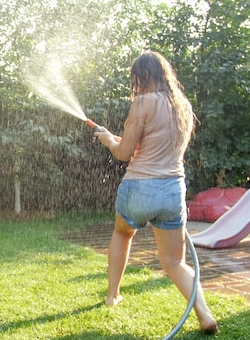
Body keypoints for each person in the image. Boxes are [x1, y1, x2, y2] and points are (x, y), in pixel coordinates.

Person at [94, 51, 219, 334]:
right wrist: (113, 138)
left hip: (139, 186)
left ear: (144, 76)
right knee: (175, 261)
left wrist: (108, 141)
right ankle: (204, 314)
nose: (135, 84)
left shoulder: (143, 102)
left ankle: (113, 295)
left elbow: (125, 153)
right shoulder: (183, 105)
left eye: (136, 78)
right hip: (172, 190)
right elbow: (158, 146)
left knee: (123, 234)